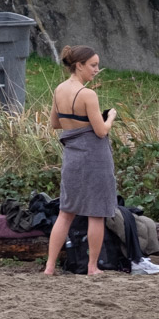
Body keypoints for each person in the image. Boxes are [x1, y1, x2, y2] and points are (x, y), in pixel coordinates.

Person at [44, 45, 117, 276]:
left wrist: (75, 124)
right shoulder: (87, 94)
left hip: (73, 157)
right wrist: (111, 116)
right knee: (96, 212)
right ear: (79, 65)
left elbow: (55, 124)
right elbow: (101, 131)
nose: (97, 69)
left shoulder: (59, 90)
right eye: (93, 65)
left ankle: (49, 267)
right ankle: (92, 267)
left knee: (66, 212)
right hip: (95, 157)